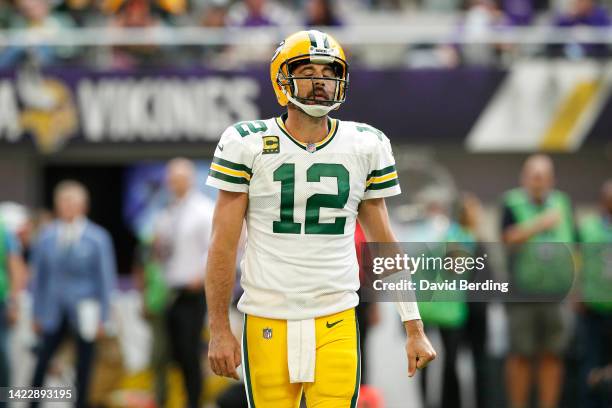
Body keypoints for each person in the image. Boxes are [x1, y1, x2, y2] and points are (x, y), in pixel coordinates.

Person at [204, 30, 436, 407]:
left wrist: (413, 324)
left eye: (329, 73)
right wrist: (218, 328)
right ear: (282, 78)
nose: (320, 81)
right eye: (308, 70)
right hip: (267, 317)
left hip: (337, 317)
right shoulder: (245, 142)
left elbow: (385, 243)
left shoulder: (365, 144)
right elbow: (222, 244)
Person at [30, 180, 117, 408]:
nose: (68, 207)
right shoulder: (47, 236)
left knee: (84, 366)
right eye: (63, 202)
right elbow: (38, 278)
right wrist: (36, 313)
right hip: (52, 310)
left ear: (83, 206)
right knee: (41, 362)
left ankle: (81, 404)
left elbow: (106, 280)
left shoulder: (98, 238)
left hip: (85, 310)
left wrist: (104, 317)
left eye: (72, 202)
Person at [501, 154, 574, 408]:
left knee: (552, 356)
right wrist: (539, 225)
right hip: (523, 294)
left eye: (543, 177)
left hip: (556, 295)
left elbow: (575, 246)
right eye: (534, 176)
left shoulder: (563, 203)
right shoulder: (512, 203)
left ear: (552, 179)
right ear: (524, 178)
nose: (538, 181)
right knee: (521, 355)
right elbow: (507, 239)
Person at [152, 158, 214, 408]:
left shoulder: (203, 210)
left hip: (193, 291)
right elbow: (161, 251)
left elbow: (213, 248)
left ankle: (194, 401)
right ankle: (173, 400)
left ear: (189, 179)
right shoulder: (168, 212)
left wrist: (200, 276)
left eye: (178, 178)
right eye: (171, 178)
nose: (174, 183)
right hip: (171, 291)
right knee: (172, 354)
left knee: (190, 353)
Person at [576, 179, 612, 408]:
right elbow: (576, 261)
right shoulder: (588, 227)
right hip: (592, 309)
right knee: (590, 367)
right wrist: (577, 291)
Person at [0, 216, 27, 408]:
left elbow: (16, 268)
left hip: (0, 303)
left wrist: (14, 303)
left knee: (3, 358)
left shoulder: (4, 232)